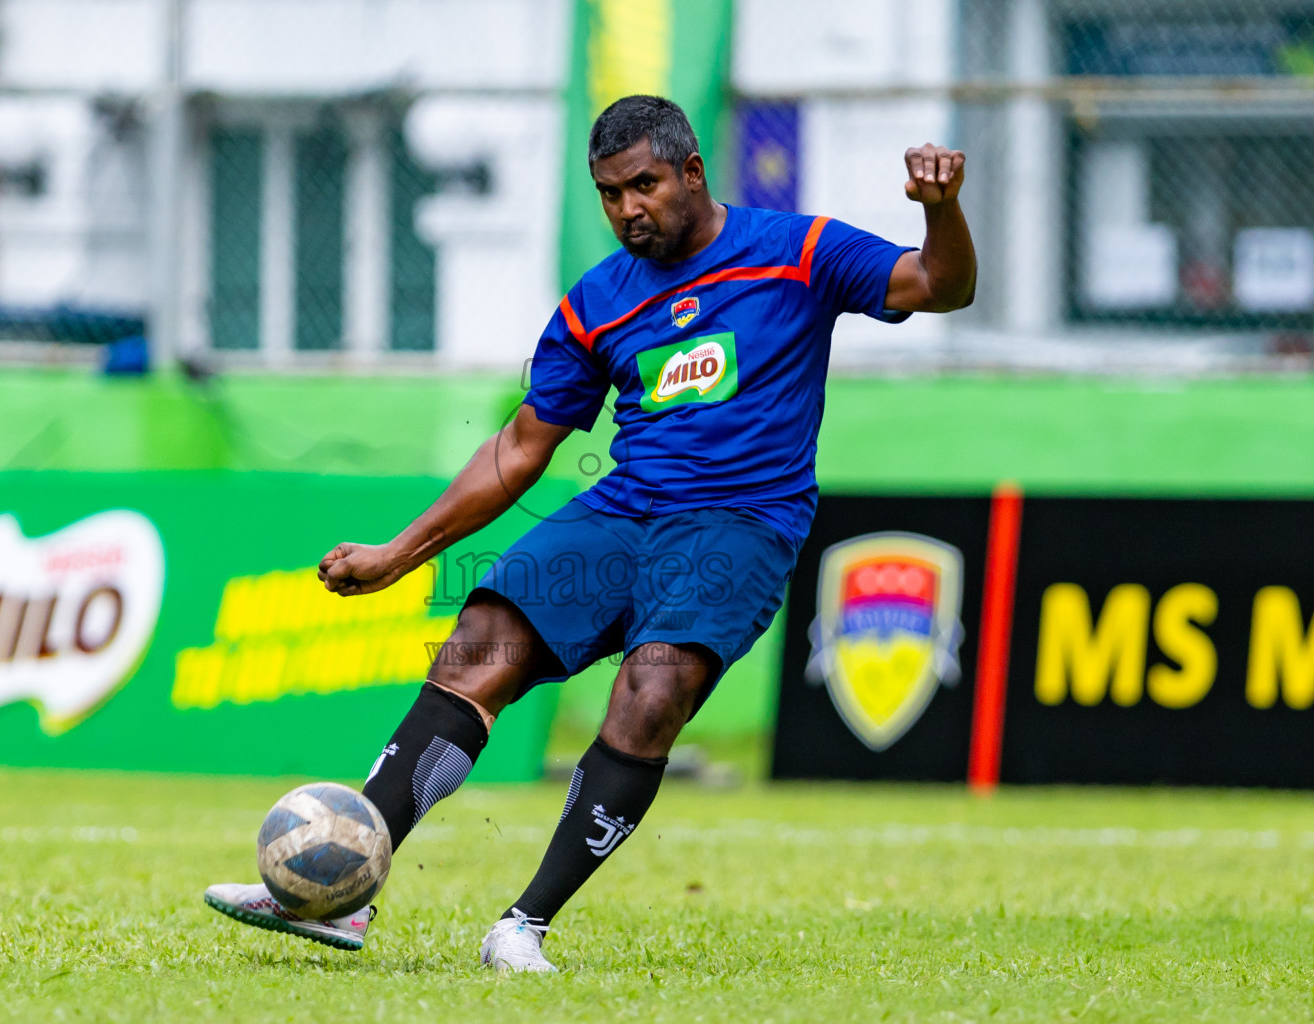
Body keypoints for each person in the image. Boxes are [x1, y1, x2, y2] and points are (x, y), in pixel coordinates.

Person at [205, 94, 976, 971]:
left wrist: (940, 210)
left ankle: (522, 925)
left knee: (650, 694)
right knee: (476, 646)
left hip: (739, 523)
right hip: (622, 512)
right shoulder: (597, 301)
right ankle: (342, 888)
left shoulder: (800, 252)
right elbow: (520, 449)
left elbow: (940, 285)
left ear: (692, 173)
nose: (627, 210)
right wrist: (398, 554)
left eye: (643, 185)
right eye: (609, 194)